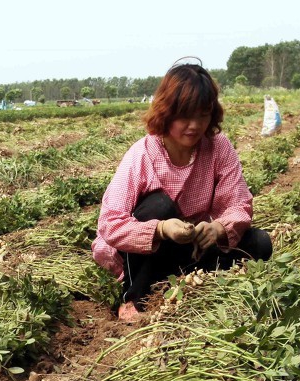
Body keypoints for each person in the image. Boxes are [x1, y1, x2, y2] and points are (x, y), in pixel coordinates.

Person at [92, 60, 272, 323]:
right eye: (185, 115)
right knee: (159, 206)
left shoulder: (217, 148)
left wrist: (217, 228)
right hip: (146, 252)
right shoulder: (143, 154)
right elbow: (110, 224)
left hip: (192, 247)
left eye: (203, 115)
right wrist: (162, 229)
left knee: (260, 244)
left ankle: (183, 280)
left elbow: (239, 203)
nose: (195, 125)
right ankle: (135, 298)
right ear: (167, 113)